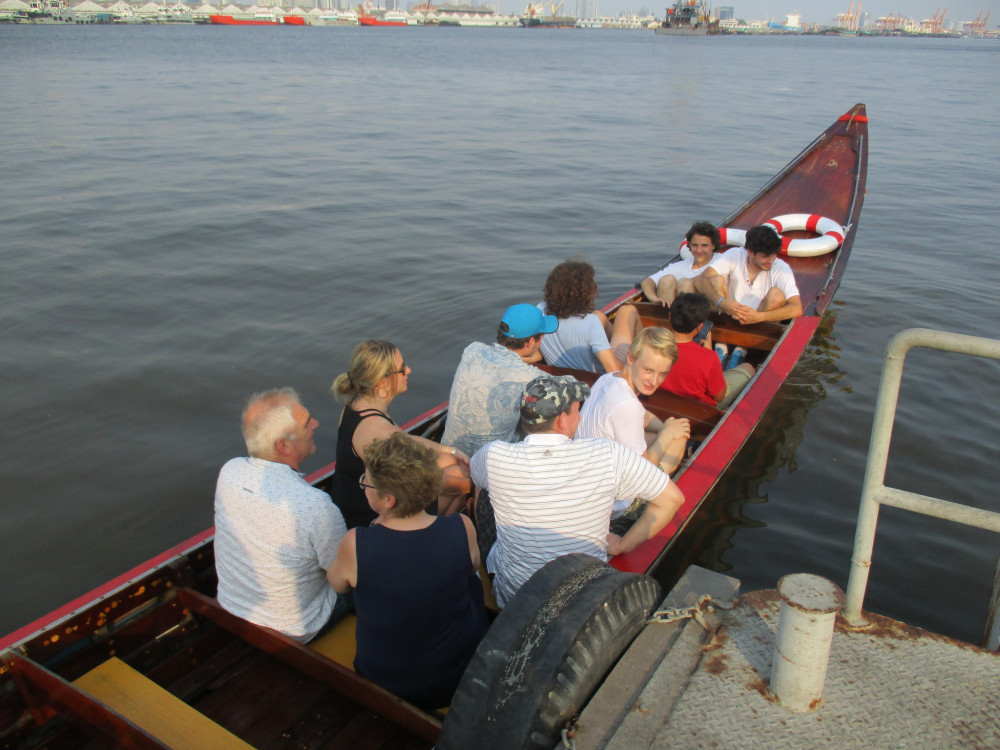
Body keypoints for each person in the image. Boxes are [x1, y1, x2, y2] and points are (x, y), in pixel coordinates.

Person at [470, 375, 685, 607]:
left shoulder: (493, 455)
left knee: (483, 494)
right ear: (563, 420)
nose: (580, 416)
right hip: (582, 600)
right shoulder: (608, 454)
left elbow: (477, 479)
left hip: (515, 600)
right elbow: (672, 500)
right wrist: (623, 544)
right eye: (577, 410)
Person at [326, 432, 489, 711]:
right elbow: (472, 566)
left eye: (366, 482)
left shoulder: (356, 543)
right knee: (470, 582)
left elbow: (338, 585)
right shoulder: (461, 526)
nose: (363, 486)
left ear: (388, 500)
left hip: (384, 677)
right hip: (454, 678)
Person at [214, 388, 348, 643]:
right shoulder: (315, 505)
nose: (316, 424)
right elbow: (342, 580)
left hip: (232, 608)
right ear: (283, 446)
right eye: (307, 423)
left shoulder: (229, 472)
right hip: (297, 630)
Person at [330, 340, 471, 528]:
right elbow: (416, 483)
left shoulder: (357, 406)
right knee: (460, 480)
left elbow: (404, 439)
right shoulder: (376, 429)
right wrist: (468, 484)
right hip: (366, 515)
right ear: (383, 382)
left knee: (450, 463)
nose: (408, 371)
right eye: (402, 368)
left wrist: (451, 451)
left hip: (352, 498)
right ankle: (433, 534)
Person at [577, 327, 691, 514]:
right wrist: (667, 434)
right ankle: (642, 510)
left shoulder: (608, 379)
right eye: (648, 370)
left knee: (667, 432)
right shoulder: (627, 406)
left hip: (588, 479)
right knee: (678, 439)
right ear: (630, 358)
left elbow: (643, 416)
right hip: (610, 502)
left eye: (662, 373)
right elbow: (643, 472)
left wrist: (666, 427)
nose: (654, 381)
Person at [441, 303, 557, 457]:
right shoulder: (532, 378)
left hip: (447, 453)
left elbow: (504, 363)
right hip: (486, 463)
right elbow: (567, 389)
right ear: (530, 342)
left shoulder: (472, 350)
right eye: (542, 337)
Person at [537, 259, 642, 373]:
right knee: (627, 310)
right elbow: (615, 372)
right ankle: (643, 354)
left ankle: (609, 347)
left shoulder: (540, 310)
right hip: (597, 378)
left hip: (566, 374)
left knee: (599, 315)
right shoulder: (590, 323)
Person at [660, 293, 755, 409]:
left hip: (663, 404)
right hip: (700, 412)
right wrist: (710, 353)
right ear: (700, 327)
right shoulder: (708, 357)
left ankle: (724, 360)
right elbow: (719, 396)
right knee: (748, 368)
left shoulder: (652, 345)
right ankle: (730, 361)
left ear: (670, 317)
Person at [695, 224, 803, 325]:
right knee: (716, 280)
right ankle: (723, 339)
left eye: (773, 255)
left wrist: (759, 316)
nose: (771, 260)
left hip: (761, 320)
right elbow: (700, 279)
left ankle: (748, 343)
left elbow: (797, 308)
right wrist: (721, 302)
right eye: (765, 256)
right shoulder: (735, 255)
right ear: (751, 252)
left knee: (777, 295)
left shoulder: (781, 268)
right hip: (729, 314)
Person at [641, 221, 720, 308]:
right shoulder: (681, 265)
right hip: (677, 315)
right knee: (666, 280)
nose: (699, 250)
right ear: (689, 245)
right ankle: (669, 317)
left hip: (711, 314)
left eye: (704, 245)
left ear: (713, 245)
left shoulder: (722, 261)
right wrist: (654, 298)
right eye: (695, 245)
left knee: (686, 283)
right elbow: (648, 281)